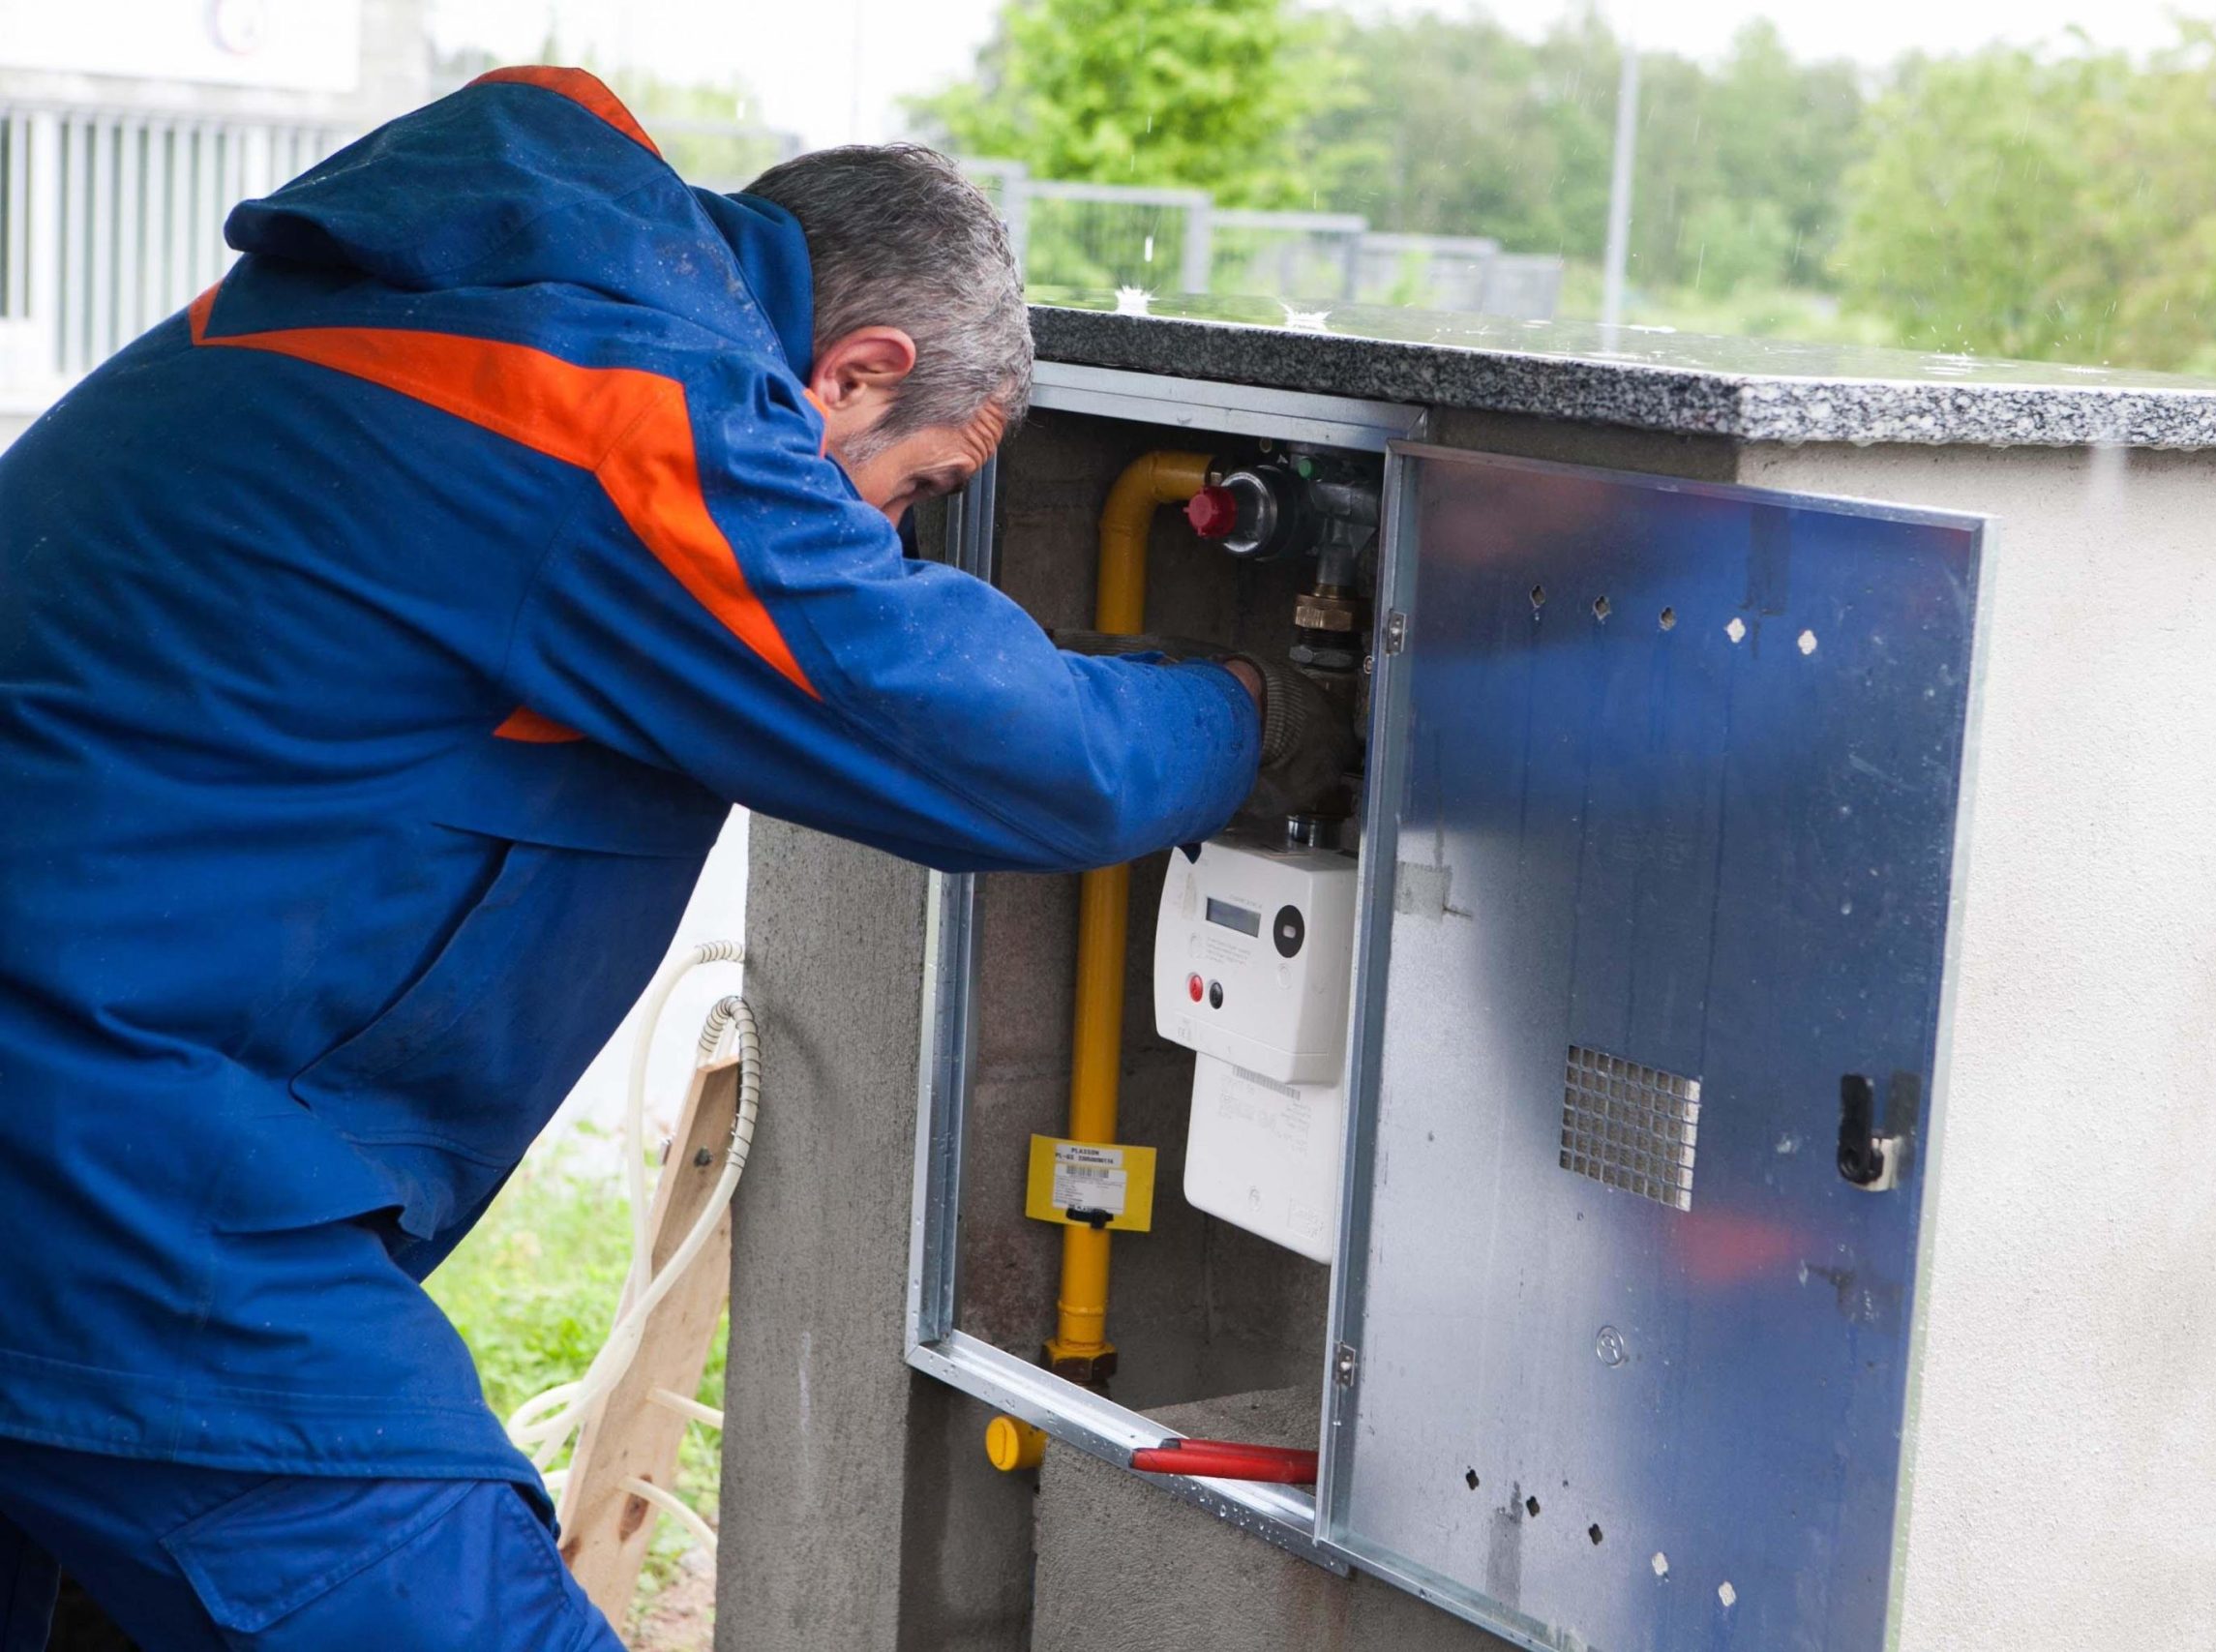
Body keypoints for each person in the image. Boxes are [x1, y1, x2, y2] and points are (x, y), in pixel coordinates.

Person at [0, 67, 1336, 1650]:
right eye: (918, 493)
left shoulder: (431, 307)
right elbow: (980, 738)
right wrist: (1257, 714)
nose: (887, 549)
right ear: (856, 373)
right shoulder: (608, 404)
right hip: (106, 1157)